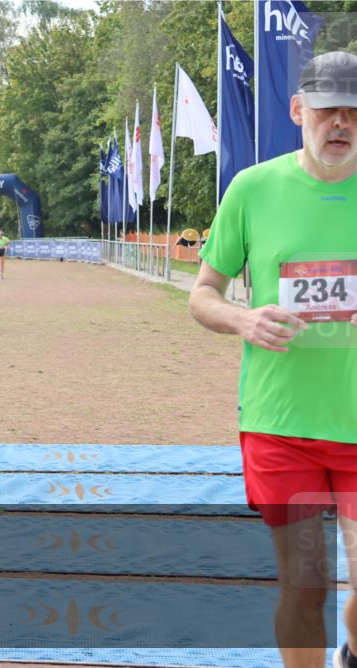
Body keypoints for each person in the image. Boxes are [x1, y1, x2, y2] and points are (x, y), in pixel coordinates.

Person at [188, 51, 357, 668]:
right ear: (297, 111)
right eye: (326, 110)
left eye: (353, 112)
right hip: (282, 427)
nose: (339, 123)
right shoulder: (253, 189)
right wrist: (244, 318)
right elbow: (202, 296)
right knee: (306, 584)